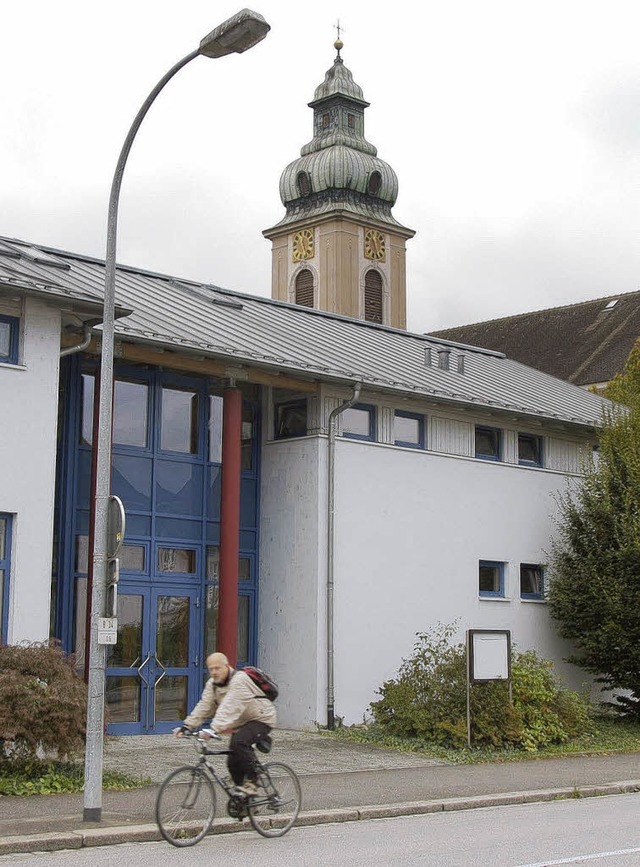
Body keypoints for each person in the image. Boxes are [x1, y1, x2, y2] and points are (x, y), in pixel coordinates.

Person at [175, 651, 276, 796]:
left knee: (239, 742)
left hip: (261, 718)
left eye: (218, 668)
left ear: (227, 666)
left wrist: (213, 729)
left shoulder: (240, 679)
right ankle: (243, 799)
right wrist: (187, 726)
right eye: (211, 669)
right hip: (241, 723)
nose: (214, 672)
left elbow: (230, 706)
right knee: (232, 762)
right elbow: (205, 706)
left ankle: (253, 782)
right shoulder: (212, 684)